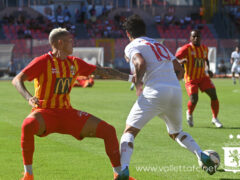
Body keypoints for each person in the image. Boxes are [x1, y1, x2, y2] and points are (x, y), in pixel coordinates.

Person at [12, 27, 134, 180]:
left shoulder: (74, 63)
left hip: (67, 113)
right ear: (60, 43)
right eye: (70, 41)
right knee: (27, 125)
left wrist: (131, 78)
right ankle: (28, 174)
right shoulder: (42, 61)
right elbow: (17, 80)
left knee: (108, 130)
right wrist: (28, 97)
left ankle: (119, 175)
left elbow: (103, 71)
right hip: (45, 112)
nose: (73, 44)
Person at [119, 14, 218, 179]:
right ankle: (202, 155)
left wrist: (138, 84)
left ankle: (123, 170)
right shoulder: (159, 44)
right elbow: (180, 69)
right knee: (176, 132)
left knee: (129, 131)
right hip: (175, 90)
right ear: (144, 30)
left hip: (154, 92)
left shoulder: (132, 45)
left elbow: (140, 63)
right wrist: (168, 81)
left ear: (128, 34)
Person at [175, 29, 223, 128]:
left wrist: (208, 70)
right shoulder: (186, 48)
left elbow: (206, 60)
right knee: (194, 99)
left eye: (198, 36)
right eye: (194, 36)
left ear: (201, 37)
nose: (196, 38)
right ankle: (189, 113)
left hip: (202, 77)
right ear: (190, 38)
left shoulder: (204, 48)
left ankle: (215, 118)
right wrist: (181, 61)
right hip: (190, 78)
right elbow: (174, 59)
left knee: (213, 94)